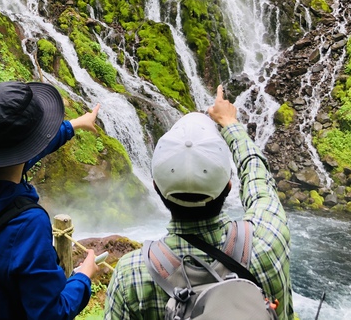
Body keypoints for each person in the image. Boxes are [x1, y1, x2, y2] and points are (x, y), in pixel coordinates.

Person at [103, 85, 294, 320]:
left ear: (156, 188)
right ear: (228, 185)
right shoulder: (268, 240)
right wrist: (229, 123)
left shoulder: (131, 276)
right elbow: (258, 176)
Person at [0, 80, 101, 319]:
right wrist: (83, 277)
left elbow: (28, 151)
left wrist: (75, 125)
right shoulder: (28, 224)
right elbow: (50, 313)